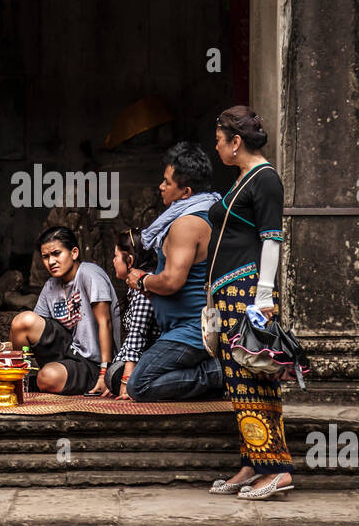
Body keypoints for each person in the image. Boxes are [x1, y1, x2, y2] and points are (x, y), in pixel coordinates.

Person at [205, 106, 295, 499]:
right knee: (237, 380)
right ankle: (252, 463)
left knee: (253, 377)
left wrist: (263, 296)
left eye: (220, 140)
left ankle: (276, 468)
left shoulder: (266, 180)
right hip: (228, 292)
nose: (217, 147)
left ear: (235, 142)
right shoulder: (243, 179)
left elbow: (271, 239)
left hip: (247, 294)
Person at [121, 142, 225, 402]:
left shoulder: (186, 224)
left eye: (167, 182)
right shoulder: (205, 211)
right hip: (184, 327)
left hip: (192, 329)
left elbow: (172, 281)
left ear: (186, 191)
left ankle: (220, 373)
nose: (161, 187)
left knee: (139, 386)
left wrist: (142, 281)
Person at [10, 226, 118, 395]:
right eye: (46, 257)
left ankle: (41, 380)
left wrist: (105, 373)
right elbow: (34, 329)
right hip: (68, 351)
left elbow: (106, 323)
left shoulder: (90, 274)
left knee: (47, 378)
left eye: (56, 253)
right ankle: (17, 381)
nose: (51, 261)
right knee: (22, 322)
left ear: (74, 253)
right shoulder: (50, 286)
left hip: (93, 363)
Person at [107, 227, 159, 399]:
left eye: (116, 256)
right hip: (142, 359)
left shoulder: (144, 286)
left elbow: (137, 336)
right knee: (112, 375)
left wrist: (125, 382)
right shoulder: (134, 287)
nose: (113, 261)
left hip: (153, 356)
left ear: (129, 260)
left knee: (117, 377)